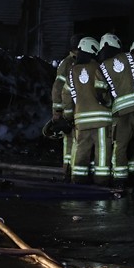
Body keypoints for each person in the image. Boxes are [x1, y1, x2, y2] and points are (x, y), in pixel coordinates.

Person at [97, 33, 134, 186]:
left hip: (120, 112)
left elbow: (99, 92)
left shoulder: (102, 67)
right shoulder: (131, 57)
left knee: (120, 145)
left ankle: (120, 180)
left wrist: (110, 103)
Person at [62, 37, 113, 183]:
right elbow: (103, 89)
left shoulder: (72, 71)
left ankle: (77, 179)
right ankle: (101, 181)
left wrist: (68, 115)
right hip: (101, 120)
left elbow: (66, 94)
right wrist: (109, 103)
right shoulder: (98, 67)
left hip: (81, 121)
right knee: (102, 151)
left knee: (81, 151)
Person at [49, 36, 83, 176]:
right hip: (68, 108)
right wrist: (58, 110)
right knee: (69, 140)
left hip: (76, 108)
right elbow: (58, 88)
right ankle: (67, 169)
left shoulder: (77, 62)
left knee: (75, 140)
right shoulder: (68, 63)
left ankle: (70, 168)